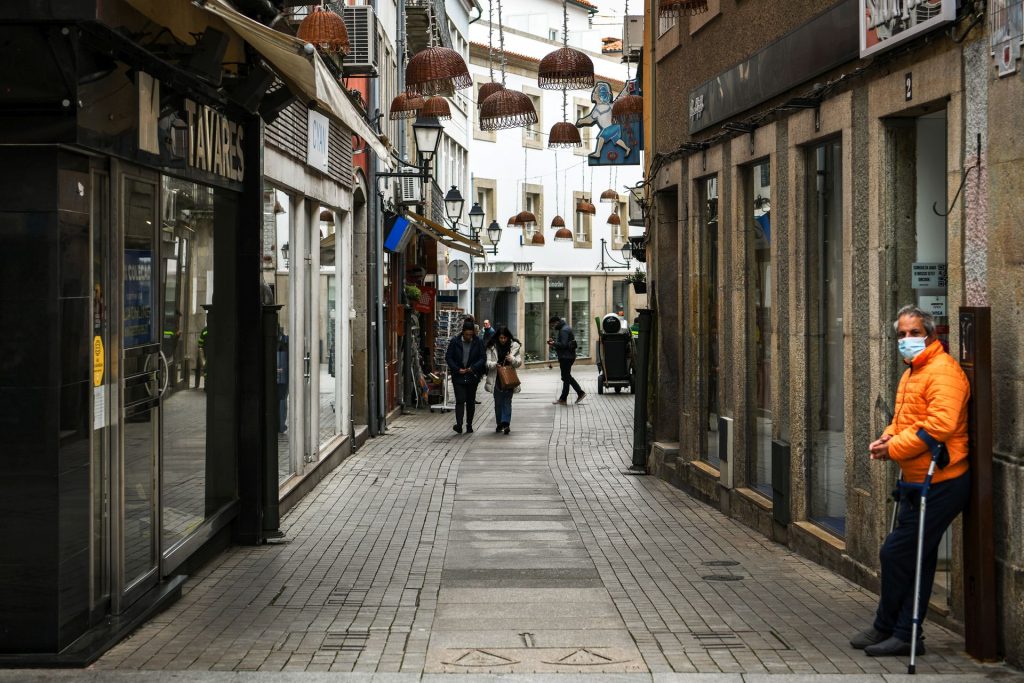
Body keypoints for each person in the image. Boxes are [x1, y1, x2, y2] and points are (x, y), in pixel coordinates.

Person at [850, 305, 971, 657]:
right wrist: (887, 438)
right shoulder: (912, 372)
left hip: (943, 480)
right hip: (916, 480)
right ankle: (898, 631)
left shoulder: (942, 371)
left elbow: (939, 426)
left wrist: (895, 450)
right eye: (901, 335)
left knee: (895, 553)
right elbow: (904, 419)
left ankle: (892, 627)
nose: (907, 340)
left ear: (930, 335)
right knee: (918, 556)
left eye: (914, 333)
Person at [445, 320, 486, 434]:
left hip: (472, 375)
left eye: (471, 334)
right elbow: (449, 357)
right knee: (460, 400)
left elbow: (483, 358)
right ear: (462, 332)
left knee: (470, 401)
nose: (468, 337)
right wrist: (457, 369)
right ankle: (459, 425)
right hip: (458, 375)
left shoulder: (478, 342)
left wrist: (473, 368)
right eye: (467, 334)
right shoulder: (455, 341)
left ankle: (469, 424)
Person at [485, 326, 523, 434]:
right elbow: (487, 363)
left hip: (509, 377)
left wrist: (512, 359)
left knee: (507, 401)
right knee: (498, 402)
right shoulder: (491, 346)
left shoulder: (514, 346)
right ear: (498, 337)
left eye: (505, 338)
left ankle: (506, 423)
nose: (503, 340)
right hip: (496, 377)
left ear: (508, 337)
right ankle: (499, 424)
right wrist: (494, 364)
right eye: (501, 338)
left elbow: (519, 363)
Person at [548, 316, 586, 405]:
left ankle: (565, 398)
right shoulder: (565, 328)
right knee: (566, 377)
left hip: (566, 357)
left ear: (557, 322)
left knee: (566, 377)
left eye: (553, 325)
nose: (553, 327)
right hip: (568, 356)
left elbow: (563, 345)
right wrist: (554, 343)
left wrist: (553, 343)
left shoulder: (564, 330)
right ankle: (578, 393)